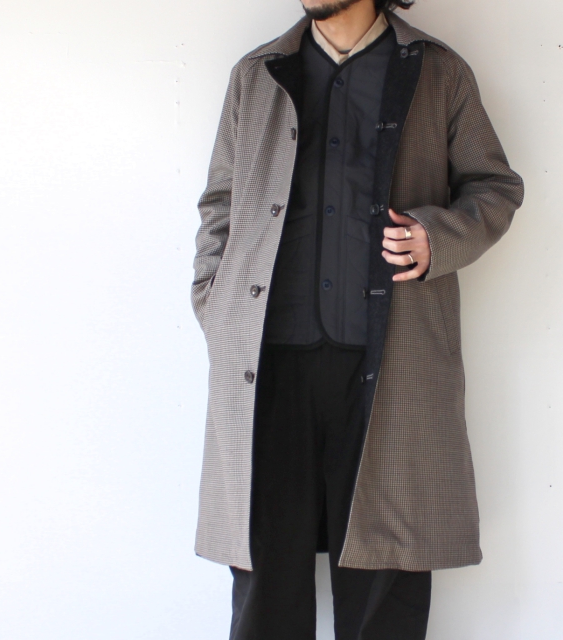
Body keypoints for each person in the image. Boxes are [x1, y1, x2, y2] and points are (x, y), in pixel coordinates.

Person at [190, 0, 524, 637]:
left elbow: (494, 185)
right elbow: (220, 203)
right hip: (267, 369)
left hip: (392, 368)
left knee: (384, 586)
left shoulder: (437, 71)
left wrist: (436, 237)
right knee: (263, 582)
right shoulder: (256, 74)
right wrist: (214, 299)